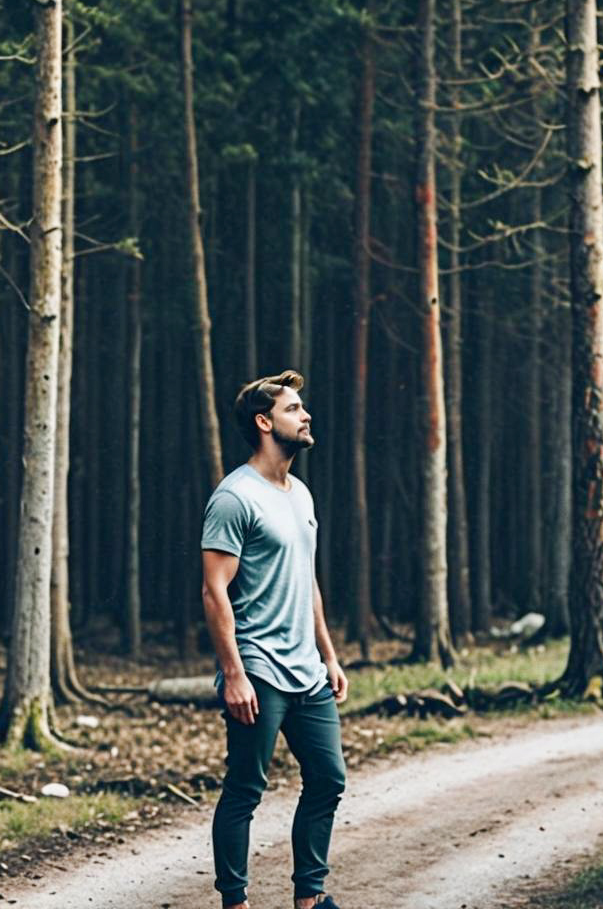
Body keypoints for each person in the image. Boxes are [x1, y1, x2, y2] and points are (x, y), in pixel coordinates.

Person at [201, 370, 348, 909]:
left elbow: (306, 578)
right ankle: (235, 902)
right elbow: (214, 590)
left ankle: (309, 899)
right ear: (265, 423)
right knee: (245, 790)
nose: (305, 415)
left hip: (307, 670)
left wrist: (328, 655)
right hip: (259, 670)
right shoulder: (235, 497)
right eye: (293, 408)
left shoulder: (300, 494)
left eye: (302, 407)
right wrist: (234, 674)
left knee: (329, 780)